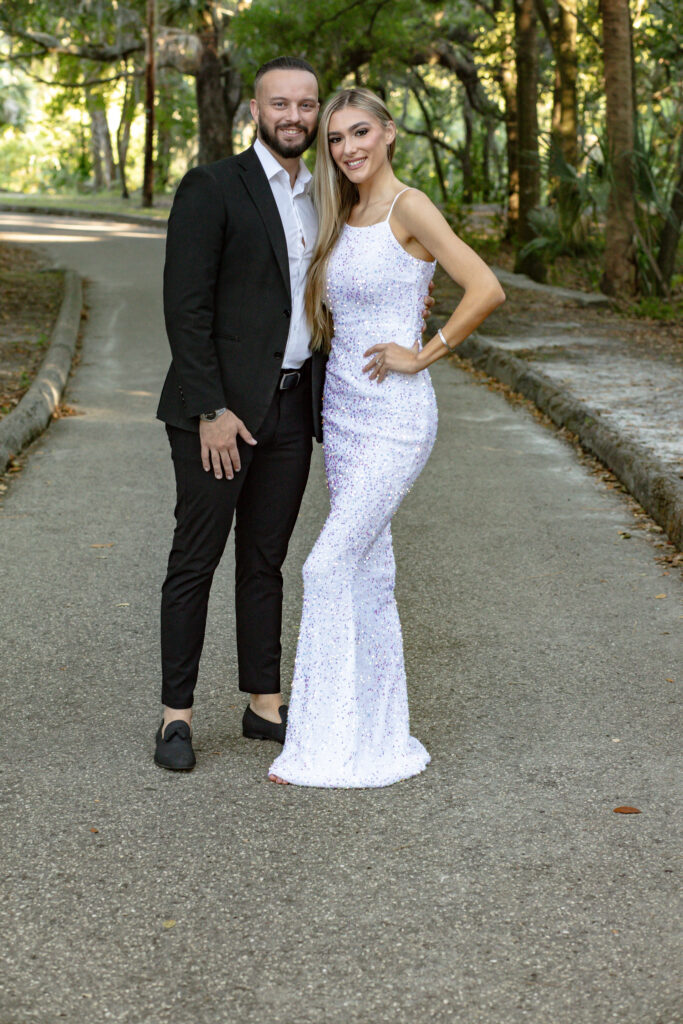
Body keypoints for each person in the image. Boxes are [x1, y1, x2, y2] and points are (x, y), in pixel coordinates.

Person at [154, 60, 432, 771]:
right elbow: (185, 311)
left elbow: (343, 285)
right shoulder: (213, 186)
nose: (295, 116)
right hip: (220, 414)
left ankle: (263, 704)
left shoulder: (326, 198)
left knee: (265, 560)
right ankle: (175, 717)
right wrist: (209, 409)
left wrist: (410, 303)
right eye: (280, 103)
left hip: (294, 407)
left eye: (306, 105)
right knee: (196, 558)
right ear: (256, 109)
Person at [268, 88, 505, 787]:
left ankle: (320, 744)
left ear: (389, 132)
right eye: (335, 139)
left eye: (359, 132)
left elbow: (484, 287)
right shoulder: (340, 212)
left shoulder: (410, 206)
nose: (347, 148)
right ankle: (368, 737)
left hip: (397, 417)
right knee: (369, 576)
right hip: (341, 412)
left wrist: (423, 351)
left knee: (323, 566)